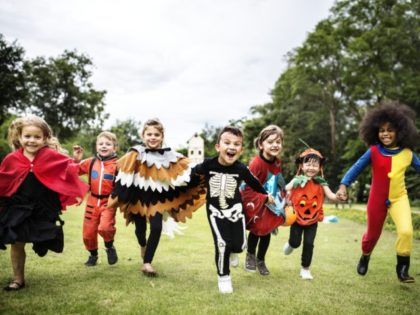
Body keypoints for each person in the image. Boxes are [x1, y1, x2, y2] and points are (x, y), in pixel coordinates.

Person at [0, 115, 89, 291]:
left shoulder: (50, 156)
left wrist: (76, 160)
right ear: (19, 137)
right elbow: (4, 179)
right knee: (16, 242)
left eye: (37, 137)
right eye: (27, 136)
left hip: (43, 206)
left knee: (43, 240)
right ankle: (18, 279)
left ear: (45, 138)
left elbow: (68, 169)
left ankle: (43, 242)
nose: (32, 140)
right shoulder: (12, 159)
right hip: (18, 206)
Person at [108, 118, 206, 277]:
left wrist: (207, 168)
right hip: (137, 199)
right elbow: (118, 169)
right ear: (143, 136)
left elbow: (188, 167)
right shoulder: (135, 153)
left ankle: (147, 263)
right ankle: (142, 245)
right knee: (140, 230)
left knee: (156, 228)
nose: (152, 137)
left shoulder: (170, 155)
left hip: (157, 200)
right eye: (149, 134)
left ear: (162, 136)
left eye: (156, 134)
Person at [336, 102, 420, 283]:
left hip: (399, 198)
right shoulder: (373, 151)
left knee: (406, 231)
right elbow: (356, 168)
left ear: (401, 131)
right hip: (377, 200)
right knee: (372, 235)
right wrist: (344, 185)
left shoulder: (408, 153)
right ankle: (365, 256)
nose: (385, 133)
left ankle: (402, 269)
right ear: (375, 132)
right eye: (382, 130)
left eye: (390, 130)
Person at [192, 126, 274, 294]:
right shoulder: (208, 164)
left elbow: (254, 182)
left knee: (238, 245)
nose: (231, 147)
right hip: (214, 210)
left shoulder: (241, 168)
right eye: (227, 143)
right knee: (222, 243)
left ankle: (233, 251)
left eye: (236, 144)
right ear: (218, 147)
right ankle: (224, 277)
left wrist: (266, 195)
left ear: (241, 150)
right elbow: (191, 176)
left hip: (236, 209)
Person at [283, 148, 338, 280]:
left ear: (319, 167)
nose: (311, 168)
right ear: (301, 166)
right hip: (297, 217)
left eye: (315, 165)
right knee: (296, 242)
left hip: (312, 218)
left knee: (309, 243)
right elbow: (285, 189)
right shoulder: (297, 179)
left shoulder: (320, 182)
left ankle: (305, 269)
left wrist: (339, 196)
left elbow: (331, 195)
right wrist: (293, 183)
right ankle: (291, 244)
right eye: (308, 164)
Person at [240, 125, 286, 276]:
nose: (275, 145)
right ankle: (250, 256)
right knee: (257, 230)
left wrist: (284, 197)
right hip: (257, 202)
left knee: (267, 231)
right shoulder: (256, 164)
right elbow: (247, 187)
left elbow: (277, 180)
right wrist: (263, 198)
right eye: (270, 141)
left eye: (278, 142)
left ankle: (261, 260)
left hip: (271, 203)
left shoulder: (277, 162)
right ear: (261, 144)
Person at [73, 131, 119, 266]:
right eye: (101, 144)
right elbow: (73, 170)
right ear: (96, 146)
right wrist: (76, 159)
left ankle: (109, 247)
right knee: (88, 232)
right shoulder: (90, 162)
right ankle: (93, 255)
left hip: (109, 202)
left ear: (114, 147)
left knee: (105, 228)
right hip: (92, 201)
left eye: (108, 144)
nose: (104, 146)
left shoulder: (118, 164)